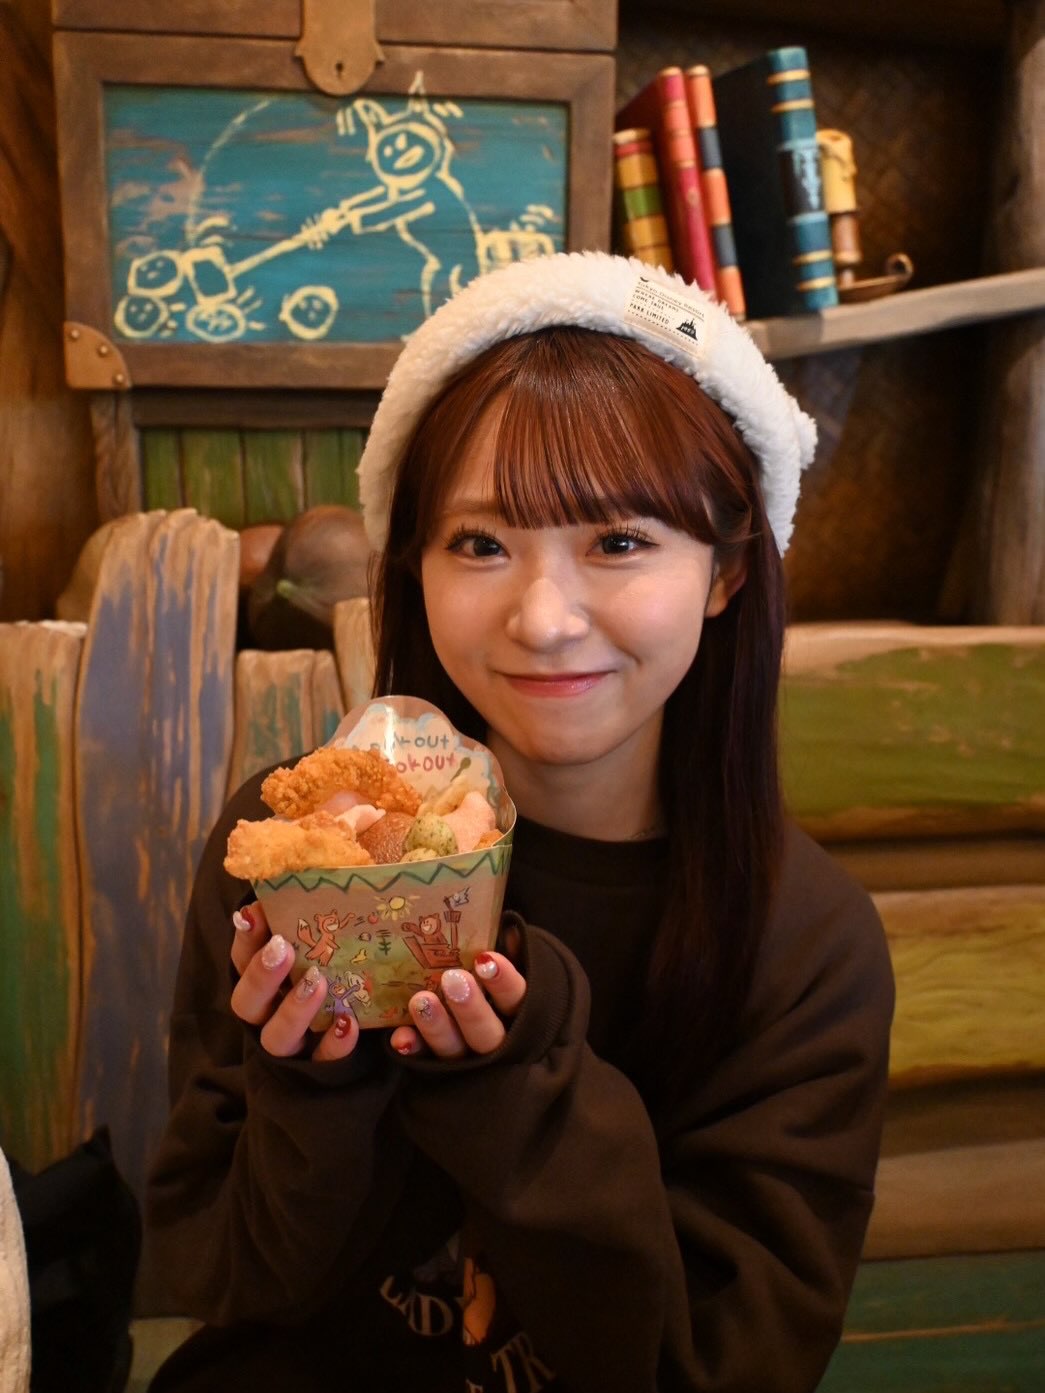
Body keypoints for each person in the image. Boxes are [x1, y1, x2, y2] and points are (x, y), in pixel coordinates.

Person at [146, 251, 894, 1393]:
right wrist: (311, 1079)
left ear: (726, 571)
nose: (543, 619)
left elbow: (714, 1366)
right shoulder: (295, 860)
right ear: (413, 564)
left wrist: (515, 1071)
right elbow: (225, 1280)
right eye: (481, 543)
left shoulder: (804, 943)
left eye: (620, 540)